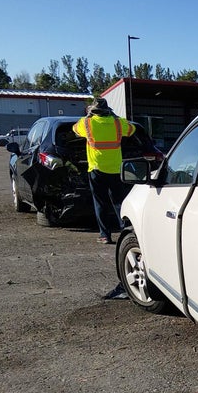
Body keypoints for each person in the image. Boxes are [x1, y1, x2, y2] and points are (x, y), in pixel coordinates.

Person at [74, 97, 134, 299]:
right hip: (116, 168)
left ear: (93, 111)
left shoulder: (87, 124)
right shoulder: (118, 123)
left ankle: (105, 235)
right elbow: (132, 131)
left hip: (96, 168)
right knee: (119, 203)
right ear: (108, 110)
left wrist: (88, 116)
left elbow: (74, 130)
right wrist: (116, 118)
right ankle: (125, 230)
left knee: (100, 202)